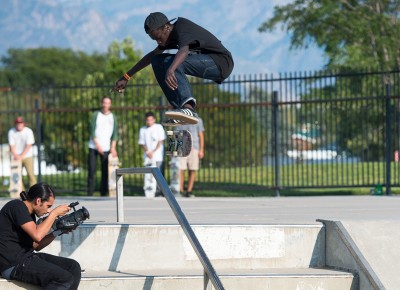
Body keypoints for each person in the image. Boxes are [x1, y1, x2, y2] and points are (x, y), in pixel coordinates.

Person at [113, 12, 234, 126]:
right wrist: (127, 76)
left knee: (173, 62)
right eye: (154, 40)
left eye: (159, 37)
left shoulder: (182, 27)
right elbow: (152, 56)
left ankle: (188, 107)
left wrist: (171, 70)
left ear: (166, 27)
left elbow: (184, 51)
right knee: (157, 61)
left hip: (221, 62)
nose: (159, 42)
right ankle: (180, 109)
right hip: (208, 63)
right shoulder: (168, 36)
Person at [0, 183, 81, 289]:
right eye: (48, 206)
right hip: (12, 264)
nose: (48, 210)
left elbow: (36, 245)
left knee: (73, 267)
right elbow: (37, 235)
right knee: (63, 278)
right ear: (38, 201)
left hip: (26, 257)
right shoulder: (16, 206)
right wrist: (54, 213)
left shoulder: (30, 214)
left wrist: (58, 231)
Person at [87, 96, 118, 196]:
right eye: (104, 103)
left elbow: (115, 134)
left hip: (106, 147)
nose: (106, 105)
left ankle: (103, 192)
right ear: (102, 103)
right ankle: (90, 193)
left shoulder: (113, 117)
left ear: (110, 104)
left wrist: (113, 148)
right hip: (94, 146)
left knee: (105, 171)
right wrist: (98, 146)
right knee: (91, 170)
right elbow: (92, 132)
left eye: (108, 103)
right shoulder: (95, 115)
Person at [138, 112, 166, 197]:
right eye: (147, 120)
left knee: (159, 173)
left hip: (157, 156)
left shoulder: (158, 127)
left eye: (151, 120)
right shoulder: (143, 129)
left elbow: (160, 141)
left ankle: (160, 191)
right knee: (149, 174)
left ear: (154, 120)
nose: (149, 122)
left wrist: (153, 152)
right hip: (148, 156)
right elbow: (142, 143)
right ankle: (150, 190)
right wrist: (148, 152)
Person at [8, 116, 37, 189]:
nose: (19, 124)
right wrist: (16, 155)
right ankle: (21, 194)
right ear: (15, 124)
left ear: (24, 123)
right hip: (15, 157)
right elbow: (11, 146)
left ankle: (33, 193)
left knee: (31, 175)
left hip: (27, 156)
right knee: (17, 176)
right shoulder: (11, 132)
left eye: (20, 123)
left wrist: (21, 155)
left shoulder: (28, 131)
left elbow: (29, 145)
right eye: (17, 123)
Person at [179, 118, 205, 197]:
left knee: (192, 169)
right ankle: (180, 190)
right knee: (180, 169)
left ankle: (189, 191)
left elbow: (201, 135)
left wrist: (201, 150)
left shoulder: (198, 120)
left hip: (194, 147)